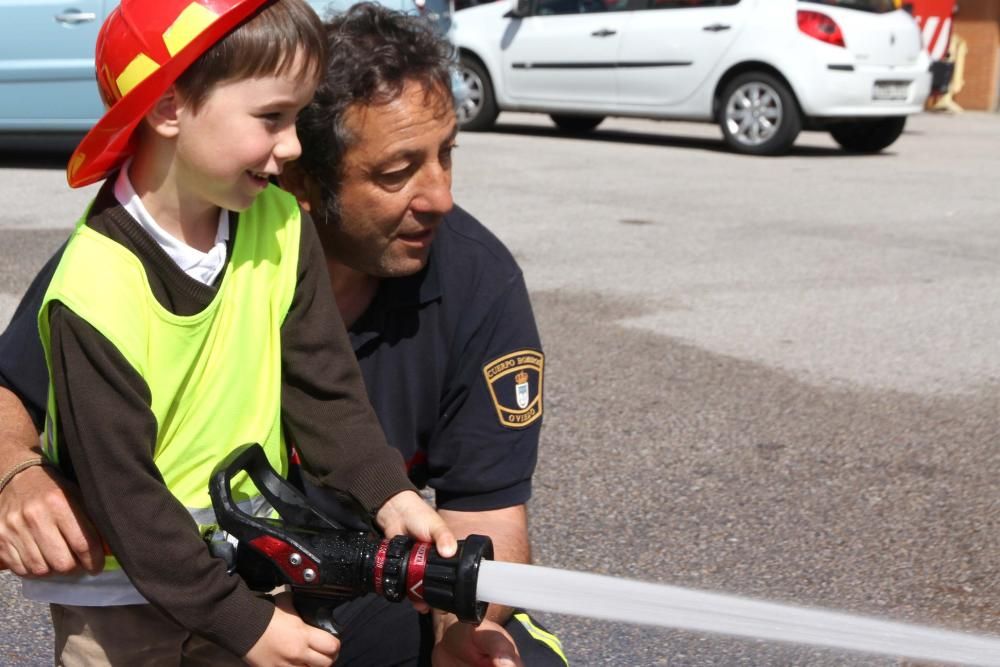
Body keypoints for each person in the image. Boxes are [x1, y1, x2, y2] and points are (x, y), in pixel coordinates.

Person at [0, 3, 563, 666]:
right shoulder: (97, 283)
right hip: (134, 599)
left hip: (266, 576)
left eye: (447, 155)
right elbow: (122, 494)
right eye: (272, 119)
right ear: (170, 109)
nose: (289, 143)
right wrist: (15, 470)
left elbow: (326, 394)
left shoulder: (286, 229)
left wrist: (393, 499)